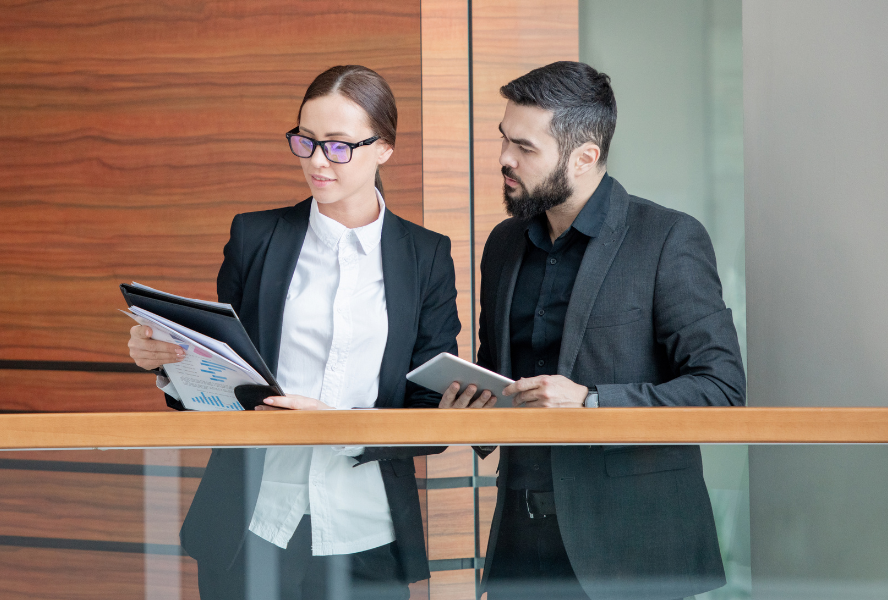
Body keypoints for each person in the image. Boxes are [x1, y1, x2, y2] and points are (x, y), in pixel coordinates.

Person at [127, 65, 460, 600]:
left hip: (366, 527)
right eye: (305, 141)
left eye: (338, 145)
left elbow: (432, 413)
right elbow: (219, 388)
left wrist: (336, 425)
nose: (316, 161)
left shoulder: (425, 257)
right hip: (251, 520)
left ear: (385, 148)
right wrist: (168, 363)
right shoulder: (255, 237)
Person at [440, 61, 746, 600]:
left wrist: (591, 404)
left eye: (526, 148)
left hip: (633, 551)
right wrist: (477, 411)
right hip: (519, 543)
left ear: (586, 157)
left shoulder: (668, 239)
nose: (504, 160)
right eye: (504, 140)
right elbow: (502, 382)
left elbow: (722, 390)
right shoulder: (504, 244)